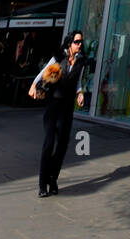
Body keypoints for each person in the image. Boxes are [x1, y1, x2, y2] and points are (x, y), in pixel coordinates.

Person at [28, 31, 88, 198]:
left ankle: (52, 179)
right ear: (70, 42)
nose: (80, 44)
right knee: (48, 144)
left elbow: (78, 81)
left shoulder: (81, 61)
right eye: (77, 41)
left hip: (68, 108)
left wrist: (80, 92)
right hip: (53, 106)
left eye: (81, 42)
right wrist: (33, 85)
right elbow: (44, 71)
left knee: (62, 146)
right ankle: (42, 184)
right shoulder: (59, 57)